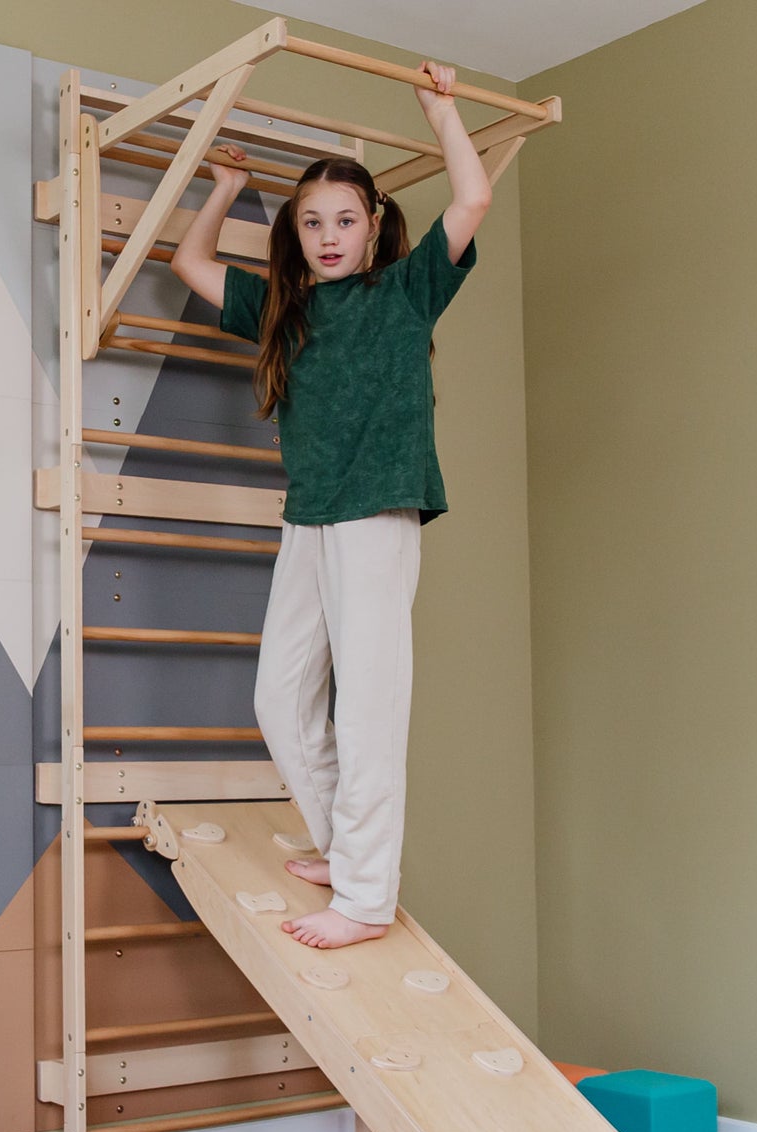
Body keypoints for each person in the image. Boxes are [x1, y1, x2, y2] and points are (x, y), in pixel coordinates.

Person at [171, 60, 491, 948]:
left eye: (344, 219)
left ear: (373, 225)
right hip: (308, 519)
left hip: (377, 516)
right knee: (279, 699)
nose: (328, 235)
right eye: (311, 222)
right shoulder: (284, 307)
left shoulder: (404, 292)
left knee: (368, 709)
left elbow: (469, 200)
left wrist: (440, 112)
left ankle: (363, 899)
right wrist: (226, 185)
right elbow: (188, 261)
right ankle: (340, 848)